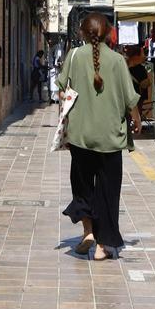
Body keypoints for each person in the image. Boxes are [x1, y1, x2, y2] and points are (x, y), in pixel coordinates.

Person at [58, 13, 141, 261]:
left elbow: (62, 90)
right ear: (107, 34)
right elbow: (130, 98)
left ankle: (88, 233)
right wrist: (136, 120)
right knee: (108, 192)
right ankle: (103, 247)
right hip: (110, 137)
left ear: (82, 33)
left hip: (81, 136)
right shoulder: (117, 61)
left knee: (83, 189)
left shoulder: (74, 57)